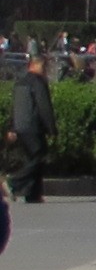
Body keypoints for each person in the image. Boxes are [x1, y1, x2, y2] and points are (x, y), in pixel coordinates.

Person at [5, 48, 51, 207]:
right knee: (40, 156)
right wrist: (51, 127)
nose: (45, 70)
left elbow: (14, 107)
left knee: (32, 159)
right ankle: (14, 181)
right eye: (44, 66)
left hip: (20, 127)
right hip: (33, 126)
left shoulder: (20, 82)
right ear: (35, 65)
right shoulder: (38, 83)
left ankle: (33, 194)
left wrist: (12, 127)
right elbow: (44, 107)